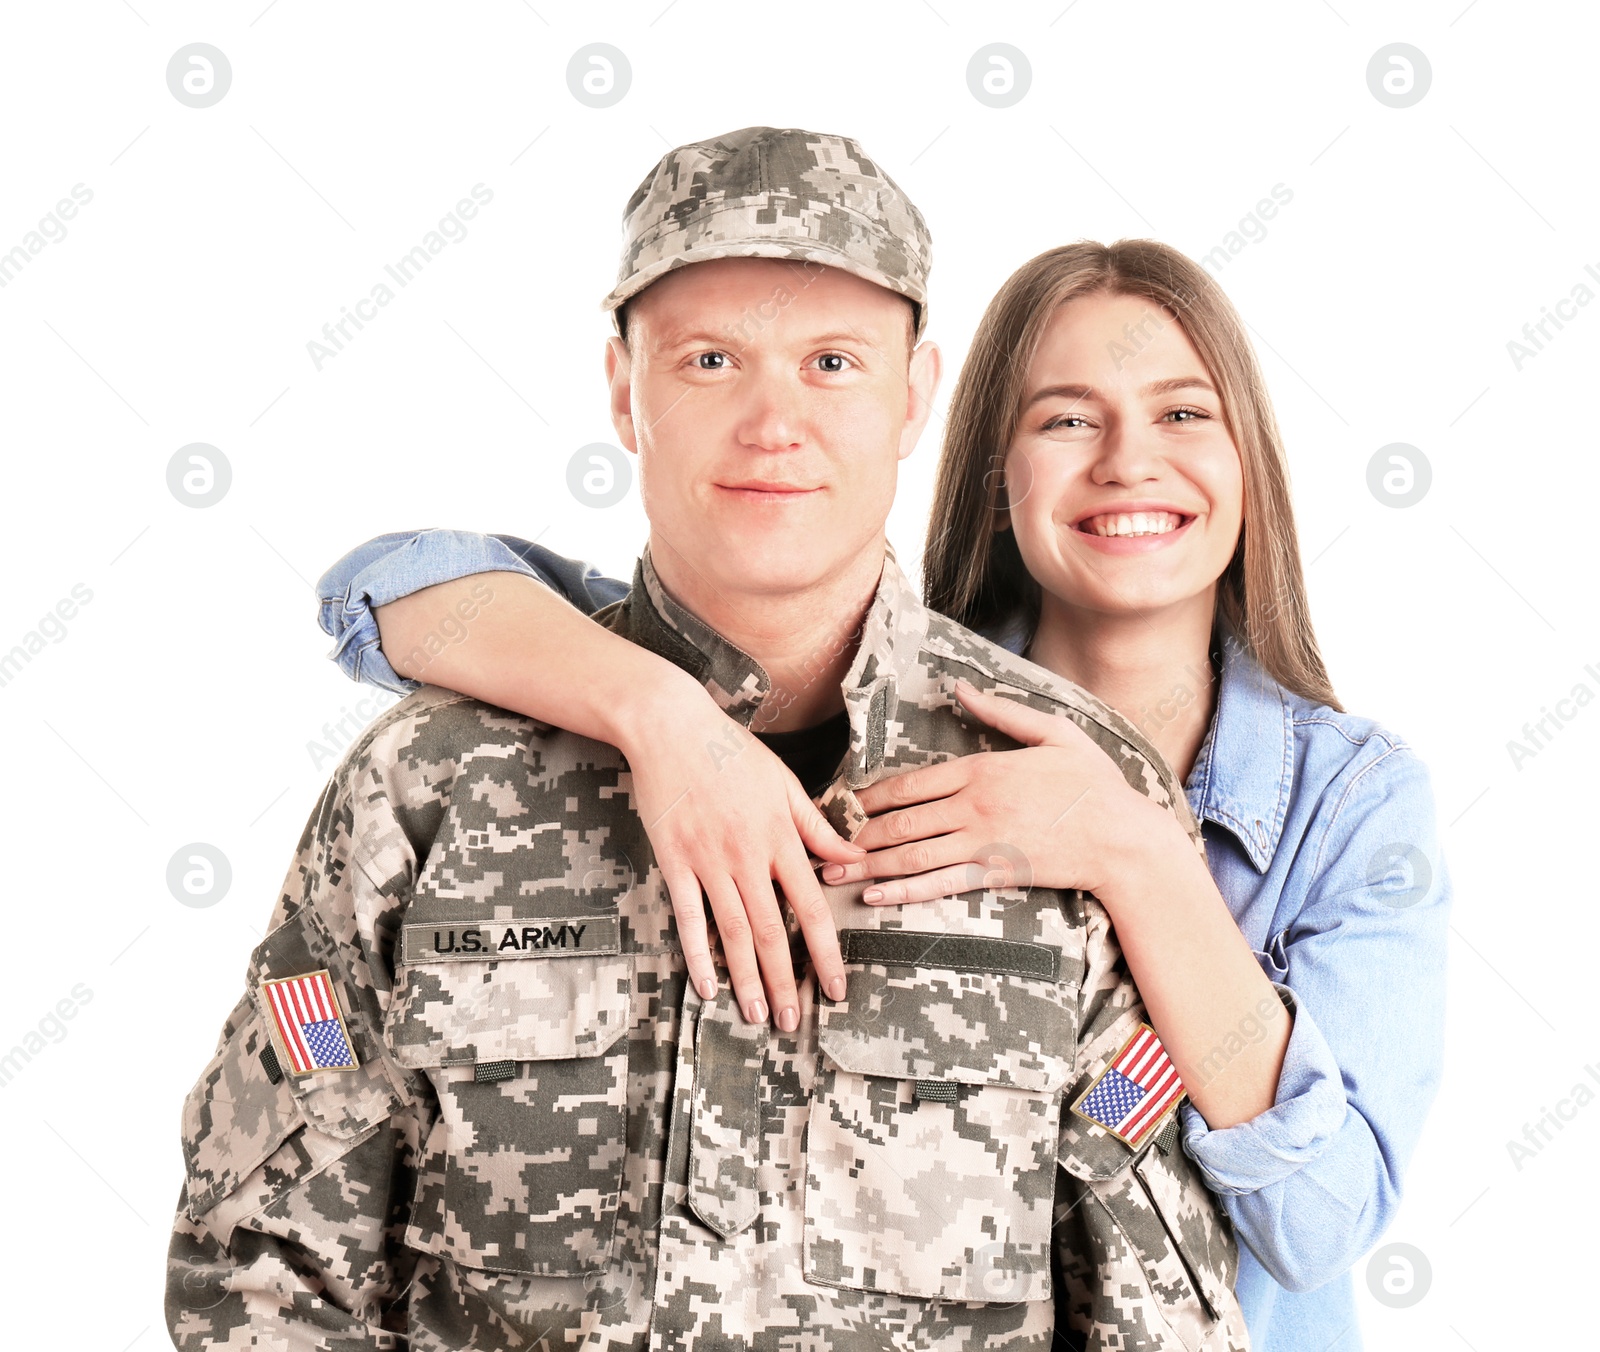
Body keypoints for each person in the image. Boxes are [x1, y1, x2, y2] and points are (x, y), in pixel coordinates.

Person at [167, 126, 1250, 1351]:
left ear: (917, 396)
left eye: (834, 361)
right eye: (711, 359)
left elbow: (1155, 1305)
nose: (772, 420)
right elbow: (261, 1264)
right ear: (625, 391)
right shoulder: (426, 789)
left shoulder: (1065, 789)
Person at [314, 237, 1449, 1348]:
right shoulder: (832, 682)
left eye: (1182, 413)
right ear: (987, 464)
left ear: (1250, 448)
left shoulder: (1349, 804)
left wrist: (1137, 857)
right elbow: (394, 586)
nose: (1127, 461)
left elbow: (1310, 1217)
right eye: (1064, 418)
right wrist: (658, 717)